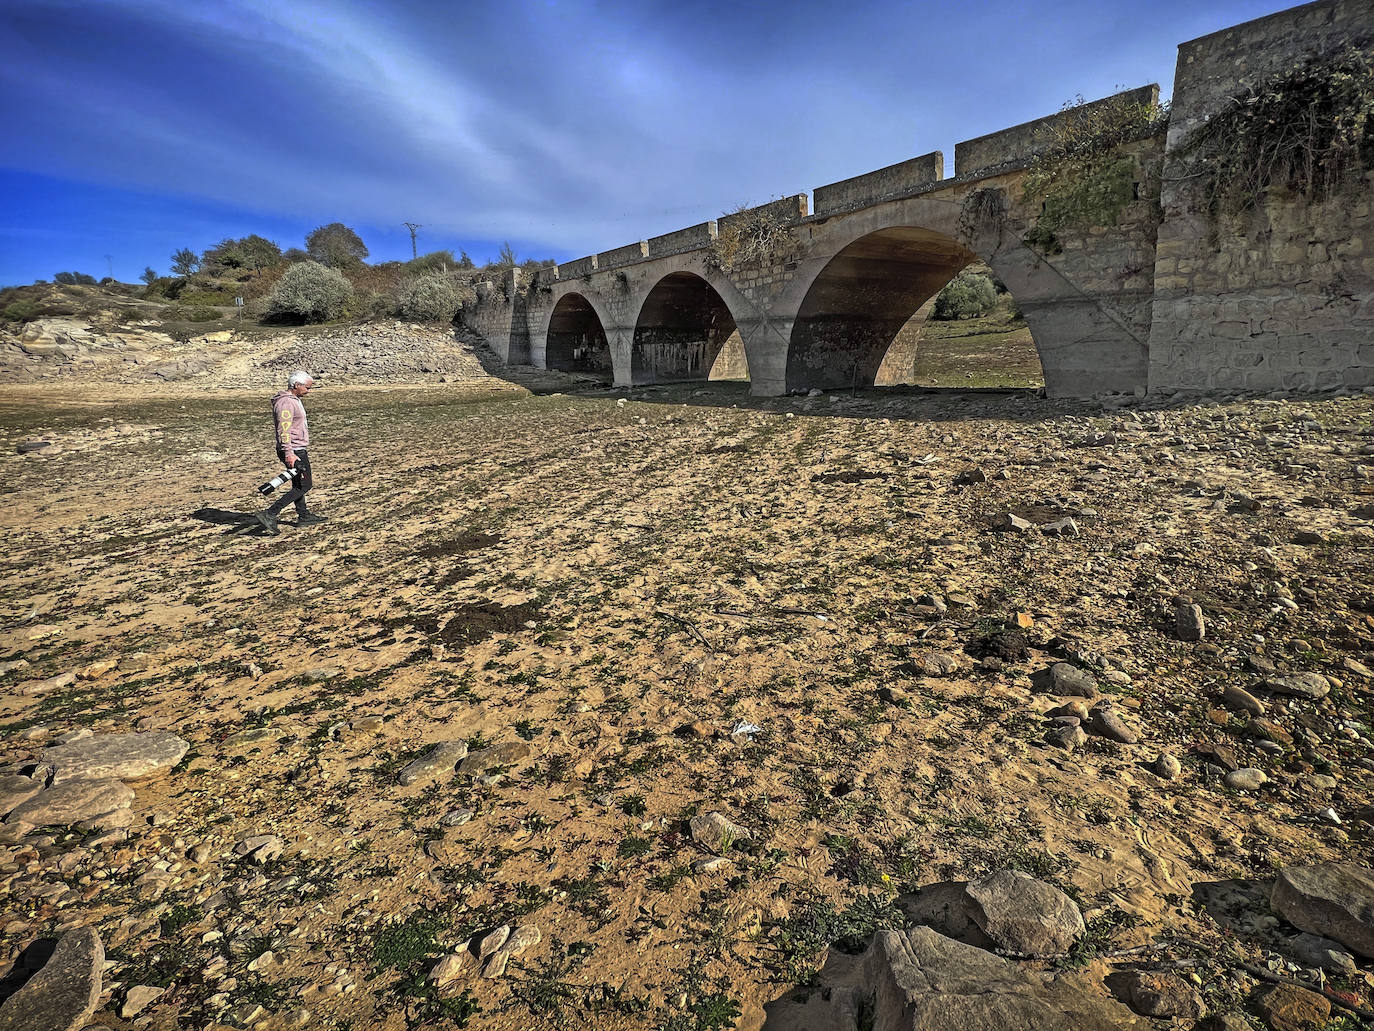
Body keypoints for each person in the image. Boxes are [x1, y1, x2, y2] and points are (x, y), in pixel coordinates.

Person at [255, 371, 327, 534]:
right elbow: (284, 430)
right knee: (305, 485)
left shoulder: (293, 400)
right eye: (307, 388)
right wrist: (289, 453)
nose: (309, 391)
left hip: (297, 448)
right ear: (297, 385)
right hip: (293, 450)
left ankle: (303, 516)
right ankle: (270, 513)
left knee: (298, 484)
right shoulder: (286, 403)